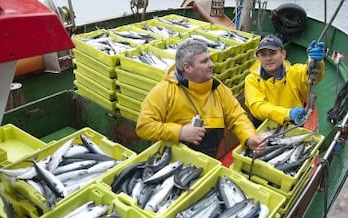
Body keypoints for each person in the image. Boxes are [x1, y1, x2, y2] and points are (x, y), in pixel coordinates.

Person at [136, 39, 266, 158]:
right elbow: (144, 127)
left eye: (209, 59)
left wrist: (249, 136)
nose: (211, 64)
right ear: (187, 67)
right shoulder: (163, 91)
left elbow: (237, 116)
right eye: (204, 61)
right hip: (170, 161)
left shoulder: (218, 88)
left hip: (208, 159)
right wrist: (179, 132)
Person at [244, 34, 325, 126]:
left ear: (283, 54)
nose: (268, 58)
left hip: (295, 122)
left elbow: (312, 76)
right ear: (258, 58)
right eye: (263, 55)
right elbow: (257, 107)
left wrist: (316, 61)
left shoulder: (295, 72)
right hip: (264, 123)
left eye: (273, 53)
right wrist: (288, 113)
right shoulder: (251, 80)